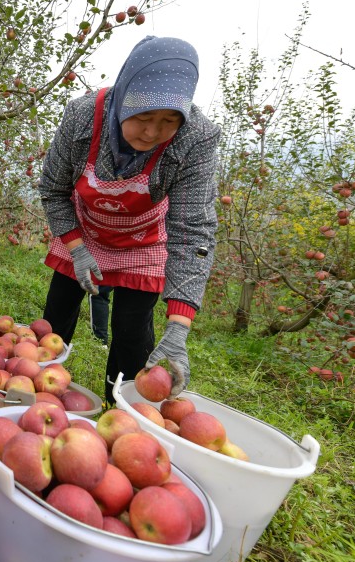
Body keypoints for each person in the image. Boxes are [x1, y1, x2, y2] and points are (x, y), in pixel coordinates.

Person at [39, 36, 220, 405]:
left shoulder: (196, 138)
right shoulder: (82, 116)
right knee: (57, 315)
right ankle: (40, 384)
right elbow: (53, 190)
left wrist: (178, 327)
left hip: (143, 240)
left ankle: (120, 407)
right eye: (143, 117)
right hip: (83, 231)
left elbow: (193, 232)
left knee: (132, 333)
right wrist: (77, 249)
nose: (152, 133)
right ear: (124, 97)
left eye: (169, 120)